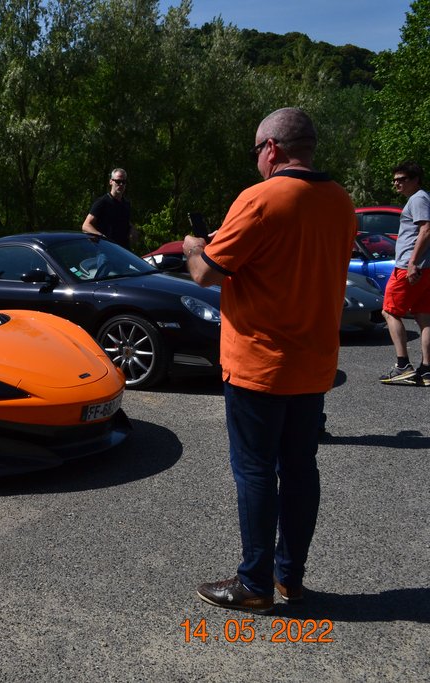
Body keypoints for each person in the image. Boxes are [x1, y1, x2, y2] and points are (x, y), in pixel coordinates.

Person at [181, 108, 355, 614]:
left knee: (255, 472)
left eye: (257, 150)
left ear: (273, 149)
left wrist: (195, 245)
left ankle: (254, 582)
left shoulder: (259, 199)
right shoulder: (341, 202)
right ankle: (289, 579)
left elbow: (205, 275)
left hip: (259, 365)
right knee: (301, 469)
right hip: (314, 365)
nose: (257, 159)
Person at [378, 161, 430, 385]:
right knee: (423, 316)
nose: (396, 183)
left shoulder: (418, 198)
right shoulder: (423, 198)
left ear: (415, 179)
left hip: (410, 268)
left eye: (402, 179)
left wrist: (412, 263)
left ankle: (402, 365)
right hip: (424, 269)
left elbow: (426, 229)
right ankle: (427, 369)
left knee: (389, 312)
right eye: (395, 179)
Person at [82, 168, 134, 248]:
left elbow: (126, 222)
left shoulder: (126, 204)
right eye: (118, 181)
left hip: (123, 250)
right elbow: (86, 225)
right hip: (106, 250)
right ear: (111, 182)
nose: (121, 184)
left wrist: (132, 231)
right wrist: (102, 237)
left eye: (123, 182)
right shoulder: (102, 202)